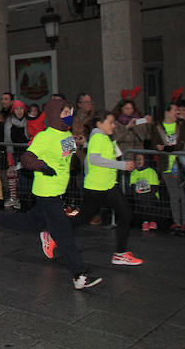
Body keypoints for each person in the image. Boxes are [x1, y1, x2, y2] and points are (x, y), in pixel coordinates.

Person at [0, 98, 102, 290]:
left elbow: (68, 159)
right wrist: (43, 166)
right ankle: (79, 274)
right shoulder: (45, 136)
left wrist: (74, 162)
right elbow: (27, 158)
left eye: (69, 113)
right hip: (47, 191)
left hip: (57, 190)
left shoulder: (67, 135)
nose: (68, 116)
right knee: (64, 233)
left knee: (31, 222)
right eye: (64, 113)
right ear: (54, 115)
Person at [47, 110, 143, 266]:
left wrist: (85, 143)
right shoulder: (99, 137)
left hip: (107, 185)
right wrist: (122, 165)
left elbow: (98, 153)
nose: (113, 125)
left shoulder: (101, 137)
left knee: (123, 214)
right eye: (110, 122)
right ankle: (54, 234)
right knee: (84, 218)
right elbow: (95, 159)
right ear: (100, 124)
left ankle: (120, 253)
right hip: (98, 187)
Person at [151, 102, 185, 235]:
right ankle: (177, 222)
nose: (178, 113)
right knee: (174, 195)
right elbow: (155, 143)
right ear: (167, 112)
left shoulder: (182, 125)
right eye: (175, 111)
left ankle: (184, 223)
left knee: (181, 194)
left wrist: (168, 148)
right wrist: (161, 148)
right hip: (166, 165)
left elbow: (183, 143)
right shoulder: (157, 126)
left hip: (180, 164)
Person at [129, 153, 160, 231]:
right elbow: (132, 185)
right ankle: (145, 221)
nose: (138, 161)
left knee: (149, 204)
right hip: (140, 196)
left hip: (151, 196)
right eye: (137, 159)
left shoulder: (151, 171)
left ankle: (152, 221)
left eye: (140, 159)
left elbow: (154, 187)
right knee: (141, 204)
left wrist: (144, 194)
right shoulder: (134, 172)